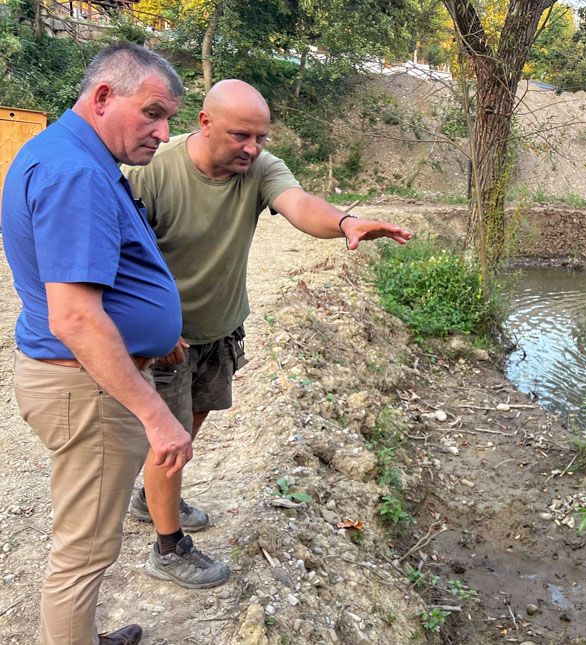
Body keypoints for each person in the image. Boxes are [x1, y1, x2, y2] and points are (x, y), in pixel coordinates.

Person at [123, 79, 411, 588]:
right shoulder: (152, 175)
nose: (252, 148)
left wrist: (345, 222)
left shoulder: (258, 168)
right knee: (170, 443)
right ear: (204, 123)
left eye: (260, 137)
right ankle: (167, 550)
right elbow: (124, 261)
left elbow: (298, 203)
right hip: (168, 340)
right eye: (240, 136)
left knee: (193, 420)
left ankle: (150, 499)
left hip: (221, 328)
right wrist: (151, 332)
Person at [1, 44, 193, 645]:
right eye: (153, 113)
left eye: (170, 119)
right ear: (105, 96)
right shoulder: (76, 173)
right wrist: (157, 415)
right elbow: (76, 319)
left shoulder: (66, 155)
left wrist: (156, 335)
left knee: (85, 538)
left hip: (84, 377)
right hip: (87, 389)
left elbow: (100, 287)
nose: (164, 133)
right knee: (83, 552)